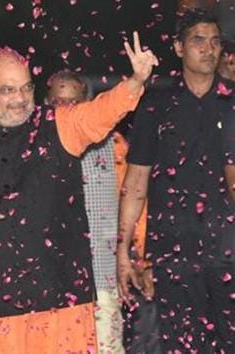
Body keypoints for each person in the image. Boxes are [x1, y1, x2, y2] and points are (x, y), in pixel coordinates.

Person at [0, 32, 157, 353]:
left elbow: (100, 113)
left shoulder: (59, 125)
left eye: (26, 88)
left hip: (60, 303)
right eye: (8, 90)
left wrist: (135, 82)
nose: (20, 98)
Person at [117, 10, 234, 352]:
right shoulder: (156, 105)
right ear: (179, 48)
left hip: (228, 249)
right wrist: (125, 253)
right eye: (199, 40)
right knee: (182, 346)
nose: (209, 49)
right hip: (174, 250)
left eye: (215, 42)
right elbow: (136, 183)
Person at [45, 70, 125, 353]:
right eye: (58, 103)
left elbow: (132, 203)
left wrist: (135, 258)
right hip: (50, 284)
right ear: (45, 104)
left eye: (73, 102)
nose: (66, 110)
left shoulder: (113, 146)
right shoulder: (30, 149)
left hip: (102, 276)